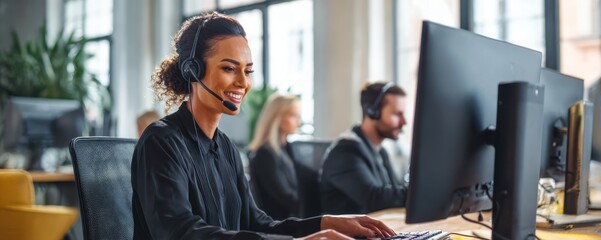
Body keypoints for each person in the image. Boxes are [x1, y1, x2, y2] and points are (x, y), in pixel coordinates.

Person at [131, 12, 395, 239]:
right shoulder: (161, 142)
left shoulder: (225, 148)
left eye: (247, 71)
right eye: (229, 68)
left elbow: (258, 224)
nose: (243, 83)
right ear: (192, 71)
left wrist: (327, 222)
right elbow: (179, 233)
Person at [320, 82, 408, 214]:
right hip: (349, 234)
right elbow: (373, 199)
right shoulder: (345, 151)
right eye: (397, 114)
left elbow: (394, 190)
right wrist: (422, 194)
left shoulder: (380, 151)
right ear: (373, 112)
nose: (404, 121)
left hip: (378, 229)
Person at [248, 94, 302, 219]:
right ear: (277, 117)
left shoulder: (287, 149)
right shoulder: (265, 154)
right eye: (294, 116)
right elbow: (285, 198)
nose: (298, 122)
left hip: (292, 221)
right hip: (279, 226)